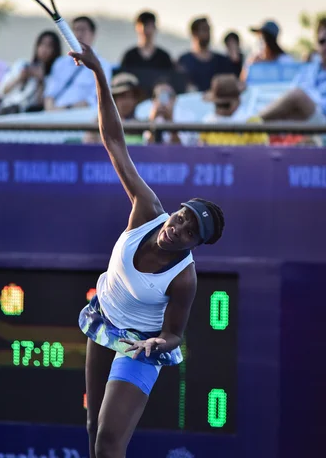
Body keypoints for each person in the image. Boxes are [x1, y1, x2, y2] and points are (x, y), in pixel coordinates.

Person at [69, 43, 225, 458]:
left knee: (108, 441)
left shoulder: (185, 279)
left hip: (142, 346)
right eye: (181, 217)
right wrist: (100, 73)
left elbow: (176, 333)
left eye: (190, 232)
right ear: (173, 211)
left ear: (195, 245)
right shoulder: (146, 210)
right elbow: (114, 140)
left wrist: (160, 343)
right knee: (90, 425)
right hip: (105, 317)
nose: (178, 228)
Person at [260, 17, 326, 124]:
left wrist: (306, 102)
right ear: (317, 45)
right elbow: (289, 94)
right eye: (322, 42)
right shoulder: (309, 69)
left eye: (265, 38)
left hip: (321, 123)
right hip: (304, 121)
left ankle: (250, 125)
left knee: (297, 96)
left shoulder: (286, 60)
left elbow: (296, 96)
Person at [44, 16, 112, 111]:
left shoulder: (103, 66)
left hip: (82, 117)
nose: (79, 34)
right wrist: (51, 111)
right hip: (54, 116)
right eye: (75, 30)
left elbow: (97, 98)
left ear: (93, 34)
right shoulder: (60, 63)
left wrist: (67, 108)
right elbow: (50, 94)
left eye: (83, 30)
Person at [0, 30, 60, 113]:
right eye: (42, 44)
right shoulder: (22, 64)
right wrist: (20, 77)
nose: (44, 49)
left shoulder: (55, 75)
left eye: (49, 46)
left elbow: (41, 104)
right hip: (7, 110)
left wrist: (40, 81)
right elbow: (2, 92)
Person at [200, 74, 268, 146]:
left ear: (237, 101)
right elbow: (202, 151)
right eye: (218, 105)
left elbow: (258, 152)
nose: (221, 110)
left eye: (225, 105)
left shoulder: (252, 123)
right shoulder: (208, 122)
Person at [177, 17, 234, 92]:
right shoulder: (184, 60)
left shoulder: (221, 61)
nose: (208, 34)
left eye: (209, 30)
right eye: (204, 30)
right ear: (194, 33)